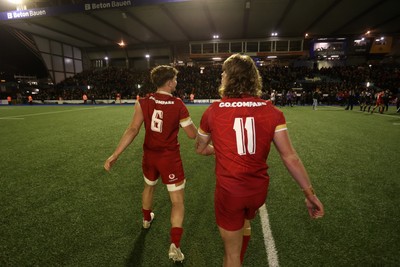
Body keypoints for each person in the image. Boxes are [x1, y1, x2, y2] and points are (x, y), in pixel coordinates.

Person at [195, 54, 324, 267]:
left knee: (231, 255)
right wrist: (309, 194)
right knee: (245, 222)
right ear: (253, 79)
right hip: (257, 192)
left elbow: (200, 148)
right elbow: (290, 156)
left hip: (230, 192)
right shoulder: (272, 111)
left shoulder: (213, 111)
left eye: (223, 73)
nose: (221, 77)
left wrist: (221, 151)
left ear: (229, 78)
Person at [104, 65, 197, 262]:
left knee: (149, 187)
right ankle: (175, 246)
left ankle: (146, 219)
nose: (176, 83)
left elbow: (132, 130)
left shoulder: (143, 102)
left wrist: (115, 154)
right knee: (177, 202)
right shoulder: (178, 104)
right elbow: (191, 135)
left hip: (149, 156)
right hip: (169, 158)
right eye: (175, 80)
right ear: (170, 82)